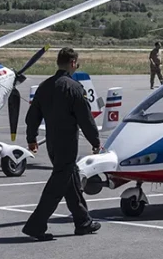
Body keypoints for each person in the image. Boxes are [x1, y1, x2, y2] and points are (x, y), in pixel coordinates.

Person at [21, 47, 102, 241]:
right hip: (67, 142)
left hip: (52, 144)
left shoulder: (44, 86)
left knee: (70, 180)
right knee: (58, 184)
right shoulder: (74, 88)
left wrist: (31, 139)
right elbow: (86, 119)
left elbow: (32, 116)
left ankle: (83, 222)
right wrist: (95, 141)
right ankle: (36, 225)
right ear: (73, 63)